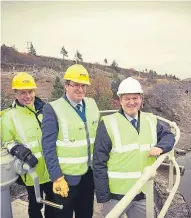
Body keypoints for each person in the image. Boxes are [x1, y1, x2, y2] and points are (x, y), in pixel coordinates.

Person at [93, 77, 175, 218]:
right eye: (127, 98)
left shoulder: (150, 120)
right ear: (120, 100)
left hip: (142, 192)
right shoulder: (108, 123)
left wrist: (160, 147)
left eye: (135, 98)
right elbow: (99, 162)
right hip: (115, 196)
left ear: (141, 99)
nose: (131, 102)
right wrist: (103, 196)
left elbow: (169, 136)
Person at [41, 64, 100, 218]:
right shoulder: (52, 109)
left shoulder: (92, 105)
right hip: (66, 179)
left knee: (86, 213)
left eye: (83, 86)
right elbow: (48, 146)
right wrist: (56, 177)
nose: (80, 89)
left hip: (88, 174)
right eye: (76, 85)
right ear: (66, 85)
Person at [1, 72, 55, 218]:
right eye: (22, 93)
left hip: (51, 168)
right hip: (31, 170)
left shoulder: (46, 110)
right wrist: (21, 152)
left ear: (35, 91)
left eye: (30, 91)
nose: (27, 96)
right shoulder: (8, 116)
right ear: (15, 94)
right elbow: (8, 142)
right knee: (35, 204)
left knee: (53, 202)